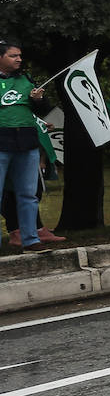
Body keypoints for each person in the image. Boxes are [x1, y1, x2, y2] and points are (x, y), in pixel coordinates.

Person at [0, 39, 52, 252]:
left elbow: (43, 110)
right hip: (1, 142)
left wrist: (38, 99)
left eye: (20, 55)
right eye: (13, 55)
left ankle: (31, 240)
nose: (19, 59)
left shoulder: (27, 80)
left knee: (28, 194)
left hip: (27, 143)